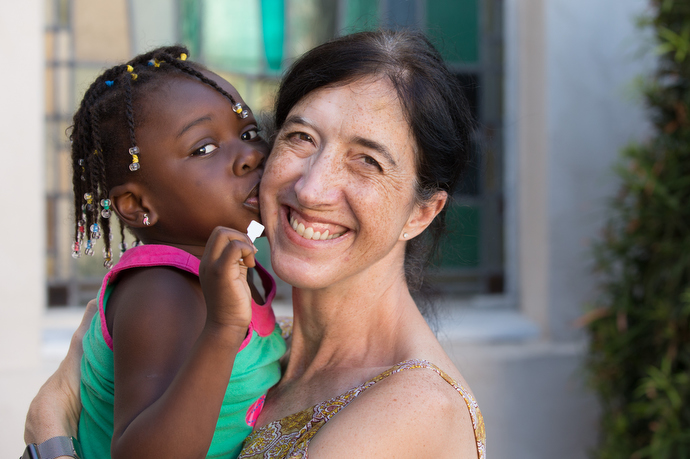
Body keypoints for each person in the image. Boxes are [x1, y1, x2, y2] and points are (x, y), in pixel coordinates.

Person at [25, 30, 486, 458]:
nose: (311, 189)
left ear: (422, 212)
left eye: (367, 161)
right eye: (302, 138)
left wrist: (49, 435)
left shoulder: (413, 408)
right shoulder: (257, 340)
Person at [50, 45, 287, 459]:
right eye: (204, 149)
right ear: (139, 207)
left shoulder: (226, 269)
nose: (250, 155)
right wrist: (223, 329)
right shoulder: (162, 288)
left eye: (248, 133)